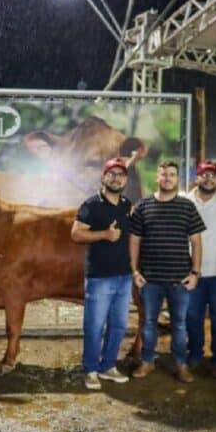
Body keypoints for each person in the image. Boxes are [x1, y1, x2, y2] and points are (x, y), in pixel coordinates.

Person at [130, 160, 205, 382]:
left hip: (180, 280)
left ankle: (181, 365)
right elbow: (134, 241)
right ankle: (147, 362)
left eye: (171, 175)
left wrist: (195, 273)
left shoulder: (187, 206)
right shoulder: (143, 206)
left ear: (177, 179)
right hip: (150, 280)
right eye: (163, 175)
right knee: (149, 323)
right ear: (157, 177)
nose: (167, 178)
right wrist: (134, 271)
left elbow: (197, 242)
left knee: (179, 325)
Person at [71, 157, 133, 391]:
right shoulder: (91, 205)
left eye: (121, 175)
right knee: (95, 326)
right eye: (112, 174)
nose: (116, 178)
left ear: (126, 180)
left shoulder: (128, 205)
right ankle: (90, 369)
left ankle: (108, 366)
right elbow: (76, 234)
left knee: (118, 325)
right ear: (103, 177)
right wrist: (103, 235)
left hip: (124, 276)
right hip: (99, 278)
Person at [186, 161, 216, 379]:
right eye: (204, 175)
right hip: (192, 273)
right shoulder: (185, 201)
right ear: (196, 178)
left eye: (212, 176)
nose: (208, 179)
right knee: (192, 317)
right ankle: (195, 356)